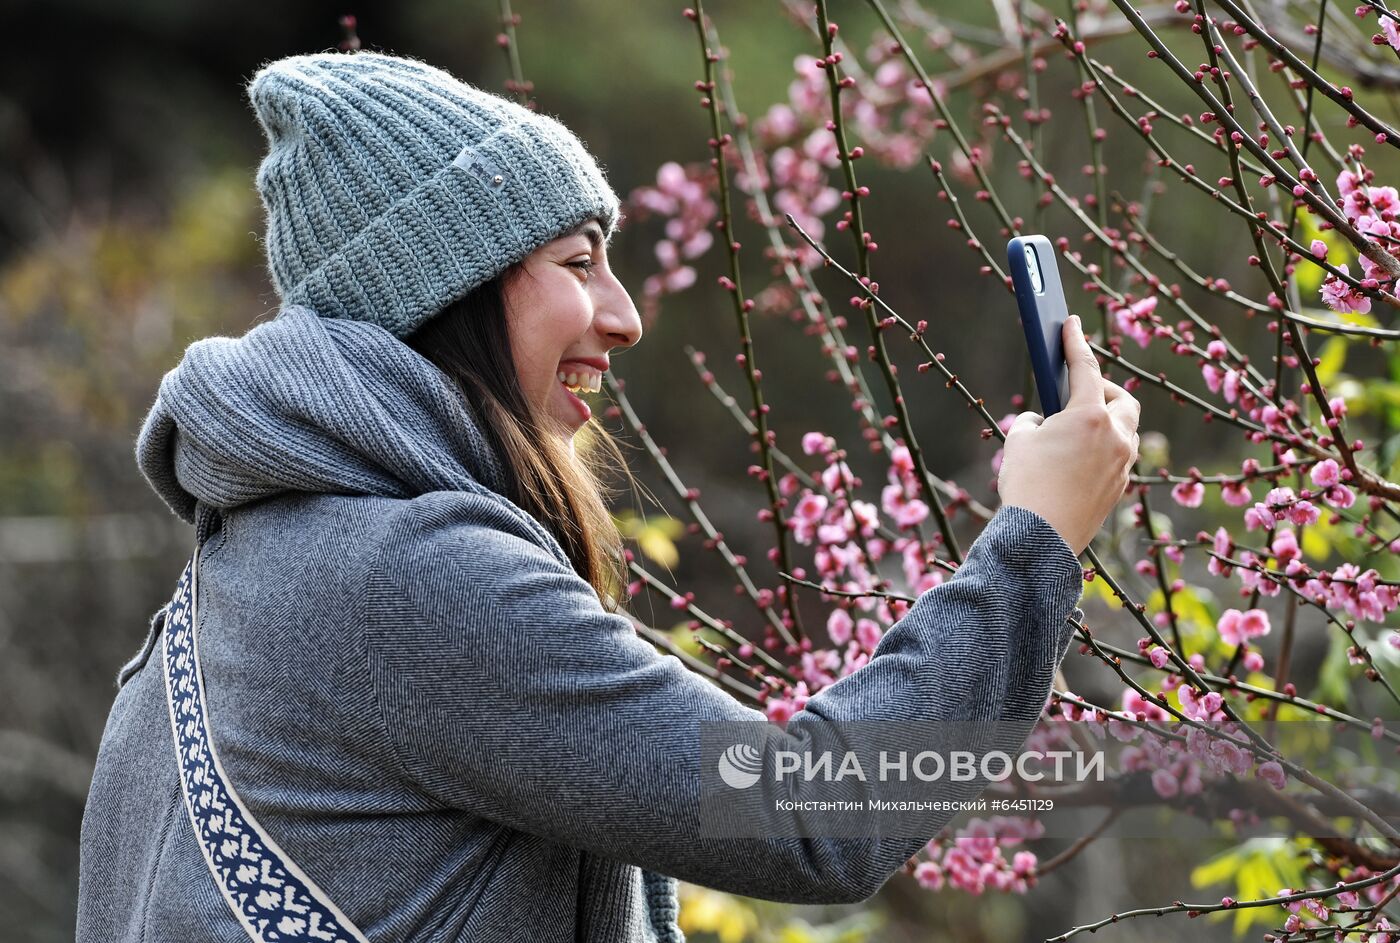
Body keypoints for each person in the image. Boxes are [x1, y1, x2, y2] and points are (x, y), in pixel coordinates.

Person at [75, 49, 1139, 942]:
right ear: (440, 290)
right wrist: (1034, 539)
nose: (623, 316)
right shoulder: (411, 578)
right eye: (578, 260)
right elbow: (813, 816)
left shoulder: (233, 588)